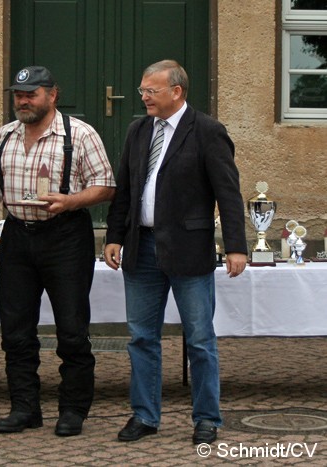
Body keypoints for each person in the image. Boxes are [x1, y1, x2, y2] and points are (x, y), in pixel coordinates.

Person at [104, 60, 247, 445]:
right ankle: (145, 416)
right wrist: (113, 236)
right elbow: (125, 189)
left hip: (188, 250)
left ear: (177, 92)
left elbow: (228, 193)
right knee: (141, 337)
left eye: (151, 90)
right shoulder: (138, 130)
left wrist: (236, 246)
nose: (144, 97)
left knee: (200, 339)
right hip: (141, 248)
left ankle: (206, 419)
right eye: (142, 91)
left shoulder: (207, 131)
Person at [0, 66, 115, 437]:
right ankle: (24, 408)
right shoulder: (2, 137)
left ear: (52, 95)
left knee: (71, 329)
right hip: (17, 237)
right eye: (18, 94)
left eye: (31, 94)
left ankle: (72, 410)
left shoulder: (79, 135)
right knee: (16, 331)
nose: (22, 100)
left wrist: (70, 201)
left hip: (66, 237)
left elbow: (105, 186)